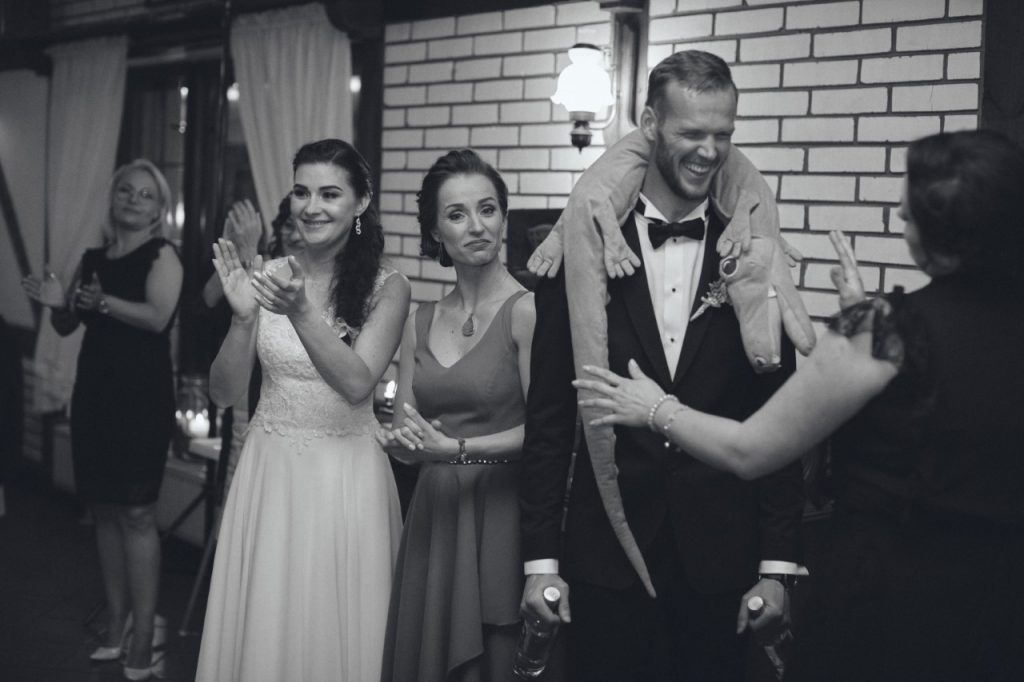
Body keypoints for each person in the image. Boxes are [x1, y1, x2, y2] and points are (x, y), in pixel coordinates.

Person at [574, 129, 1024, 682]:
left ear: (937, 222)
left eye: (908, 207)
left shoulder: (888, 332)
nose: (899, 212)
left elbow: (750, 451)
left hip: (897, 597)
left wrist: (655, 408)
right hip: (1002, 599)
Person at [519, 50, 805, 682]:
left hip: (724, 567)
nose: (710, 151)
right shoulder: (583, 248)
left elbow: (779, 416)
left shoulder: (752, 251)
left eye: (723, 134)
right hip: (604, 562)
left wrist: (778, 567)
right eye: (692, 133)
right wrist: (540, 564)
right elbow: (549, 419)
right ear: (649, 124)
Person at [195, 138, 410, 681]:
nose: (312, 207)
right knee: (266, 620)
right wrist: (243, 319)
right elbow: (223, 393)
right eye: (302, 192)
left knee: (334, 628)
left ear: (360, 203)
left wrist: (300, 310)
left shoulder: (388, 287)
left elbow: (357, 384)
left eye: (330, 194)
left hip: (345, 476)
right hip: (269, 470)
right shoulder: (266, 274)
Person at [377, 149, 537, 681]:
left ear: (503, 218)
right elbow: (407, 425)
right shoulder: (418, 321)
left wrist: (457, 450)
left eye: (487, 209)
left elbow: (549, 434)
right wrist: (399, 442)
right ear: (435, 231)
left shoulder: (527, 311)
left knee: (492, 659)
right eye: (457, 214)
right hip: (436, 514)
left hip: (501, 512)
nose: (477, 226)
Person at [21, 159, 183, 681]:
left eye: (145, 195)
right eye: (126, 191)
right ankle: (115, 623)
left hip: (142, 400)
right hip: (94, 395)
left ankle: (144, 634)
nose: (134, 200)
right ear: (113, 199)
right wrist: (57, 306)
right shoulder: (93, 258)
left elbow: (158, 317)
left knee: (137, 514)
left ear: (159, 210)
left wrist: (104, 303)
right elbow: (69, 325)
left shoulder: (163, 255)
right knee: (105, 511)